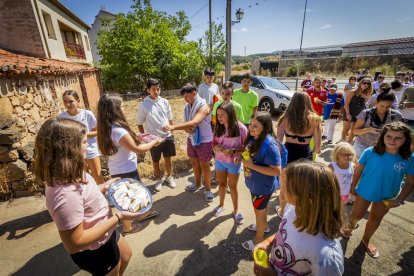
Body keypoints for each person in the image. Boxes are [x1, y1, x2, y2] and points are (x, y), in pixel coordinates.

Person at [34, 117, 142, 276]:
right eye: (84, 142)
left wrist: (102, 187)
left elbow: (83, 196)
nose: (88, 147)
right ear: (68, 149)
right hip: (95, 248)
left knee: (125, 255)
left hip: (104, 232)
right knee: (114, 269)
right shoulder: (64, 194)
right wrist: (118, 217)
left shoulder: (70, 171)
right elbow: (75, 243)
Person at [252, 161, 344, 276]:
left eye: (287, 185)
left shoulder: (326, 257)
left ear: (307, 197)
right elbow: (284, 230)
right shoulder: (293, 207)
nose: (282, 186)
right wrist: (267, 242)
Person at [342, 122, 414, 259]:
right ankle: (349, 229)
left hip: (388, 197)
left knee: (375, 218)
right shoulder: (370, 151)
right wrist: (352, 187)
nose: (392, 141)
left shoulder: (410, 158)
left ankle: (366, 240)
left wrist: (399, 199)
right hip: (364, 192)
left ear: (406, 139)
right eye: (389, 136)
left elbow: (410, 182)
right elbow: (358, 170)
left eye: (398, 138)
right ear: (383, 137)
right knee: (356, 214)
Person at [97, 94, 160, 234]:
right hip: (127, 169)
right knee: (130, 198)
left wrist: (135, 136)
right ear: (115, 110)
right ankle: (128, 227)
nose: (124, 108)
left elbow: (126, 143)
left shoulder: (107, 128)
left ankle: (143, 214)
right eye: (122, 106)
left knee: (126, 195)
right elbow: (137, 149)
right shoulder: (119, 131)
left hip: (117, 168)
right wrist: (153, 142)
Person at [237, 111, 281, 251]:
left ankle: (258, 240)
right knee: (260, 210)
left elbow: (276, 171)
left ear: (266, 127)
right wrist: (241, 157)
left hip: (263, 187)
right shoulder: (254, 138)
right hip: (255, 184)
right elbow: (249, 154)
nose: (251, 128)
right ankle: (265, 227)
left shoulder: (270, 145)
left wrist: (251, 165)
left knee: (259, 212)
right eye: (250, 124)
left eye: (256, 126)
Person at [163, 83, 215, 202]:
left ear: (194, 93)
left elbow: (194, 122)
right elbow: (188, 125)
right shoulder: (187, 107)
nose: (185, 99)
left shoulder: (204, 106)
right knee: (194, 163)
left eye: (187, 96)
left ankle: (208, 190)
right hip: (192, 139)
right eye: (184, 97)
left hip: (204, 140)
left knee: (205, 165)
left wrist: (173, 127)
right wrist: (187, 129)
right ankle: (197, 184)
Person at [212, 101, 248, 224]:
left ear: (230, 114)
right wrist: (215, 147)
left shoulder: (242, 128)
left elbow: (246, 148)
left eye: (222, 114)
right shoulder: (218, 127)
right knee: (221, 185)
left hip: (234, 163)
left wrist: (232, 150)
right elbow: (214, 142)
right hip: (219, 161)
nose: (219, 117)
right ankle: (221, 205)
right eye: (218, 114)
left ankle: (236, 211)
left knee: (232, 187)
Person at [137, 78, 176, 192]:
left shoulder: (164, 101)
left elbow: (170, 118)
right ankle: (158, 179)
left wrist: (172, 132)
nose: (156, 91)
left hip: (167, 136)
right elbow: (139, 122)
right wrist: (145, 138)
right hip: (153, 139)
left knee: (168, 159)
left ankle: (169, 177)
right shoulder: (144, 104)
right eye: (153, 89)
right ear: (148, 90)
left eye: (158, 89)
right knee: (155, 160)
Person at [59, 90, 103, 184]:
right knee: (83, 179)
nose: (68, 104)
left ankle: (102, 197)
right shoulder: (62, 117)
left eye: (71, 101)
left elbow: (98, 131)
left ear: (78, 101)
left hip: (90, 149)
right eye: (65, 102)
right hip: (74, 152)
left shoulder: (87, 114)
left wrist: (82, 135)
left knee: (98, 177)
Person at [353, 92, 403, 159]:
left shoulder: (396, 115)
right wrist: (368, 130)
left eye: (388, 106)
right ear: (376, 103)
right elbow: (355, 131)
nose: (384, 109)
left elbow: (401, 134)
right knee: (363, 167)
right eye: (382, 106)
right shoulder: (365, 113)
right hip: (363, 146)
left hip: (384, 148)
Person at [344, 77, 373, 143]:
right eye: (364, 82)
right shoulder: (352, 92)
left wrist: (366, 98)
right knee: (346, 129)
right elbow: (346, 104)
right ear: (360, 83)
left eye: (368, 83)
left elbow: (366, 104)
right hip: (350, 112)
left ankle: (349, 143)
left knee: (354, 130)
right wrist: (348, 114)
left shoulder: (367, 93)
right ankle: (343, 141)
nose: (366, 84)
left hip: (360, 113)